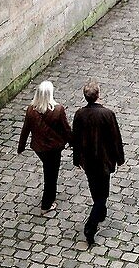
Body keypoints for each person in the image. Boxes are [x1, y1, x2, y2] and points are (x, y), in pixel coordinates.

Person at [72, 81, 125, 247]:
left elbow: (76, 138)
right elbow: (115, 138)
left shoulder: (80, 114)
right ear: (98, 95)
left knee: (95, 189)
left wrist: (77, 159)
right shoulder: (107, 114)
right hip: (103, 160)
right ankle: (91, 225)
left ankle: (101, 213)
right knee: (103, 195)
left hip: (88, 161)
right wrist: (119, 158)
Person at [17, 81, 73, 213]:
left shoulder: (31, 110)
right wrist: (74, 143)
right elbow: (66, 129)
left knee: (49, 170)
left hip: (39, 148)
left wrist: (21, 146)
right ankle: (47, 204)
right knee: (51, 174)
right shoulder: (58, 110)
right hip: (54, 148)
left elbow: (25, 129)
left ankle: (49, 198)